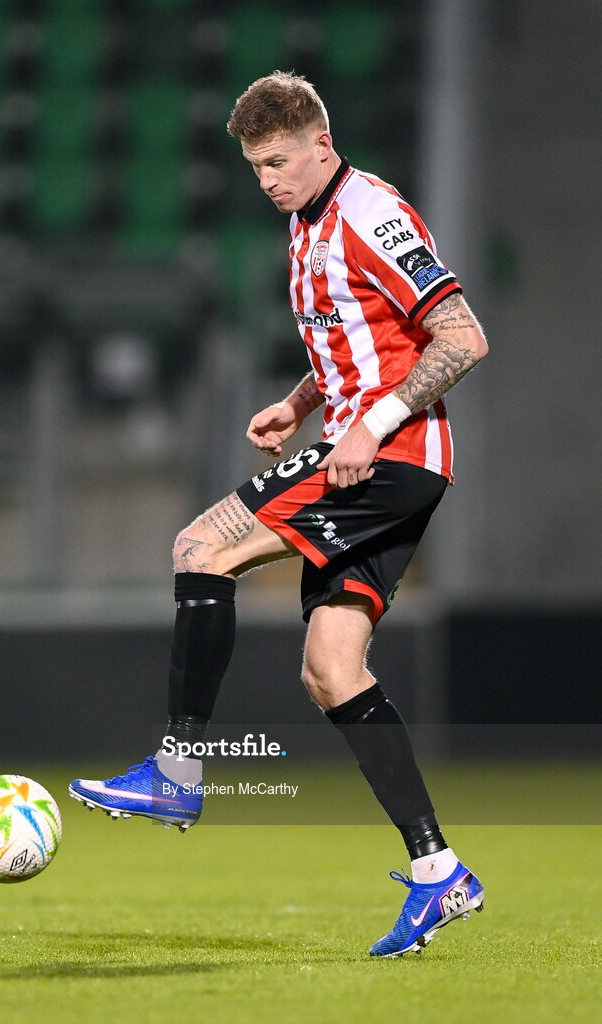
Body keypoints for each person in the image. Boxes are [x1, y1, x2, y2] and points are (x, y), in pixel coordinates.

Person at [70, 71, 488, 958]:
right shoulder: (307, 224)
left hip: (389, 460)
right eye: (256, 166)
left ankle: (179, 773)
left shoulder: (371, 213)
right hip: (364, 454)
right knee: (333, 670)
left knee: (200, 546)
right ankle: (437, 873)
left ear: (322, 147)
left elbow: (461, 336)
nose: (268, 180)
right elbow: (361, 337)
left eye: (280, 162)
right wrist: (301, 405)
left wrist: (368, 427)